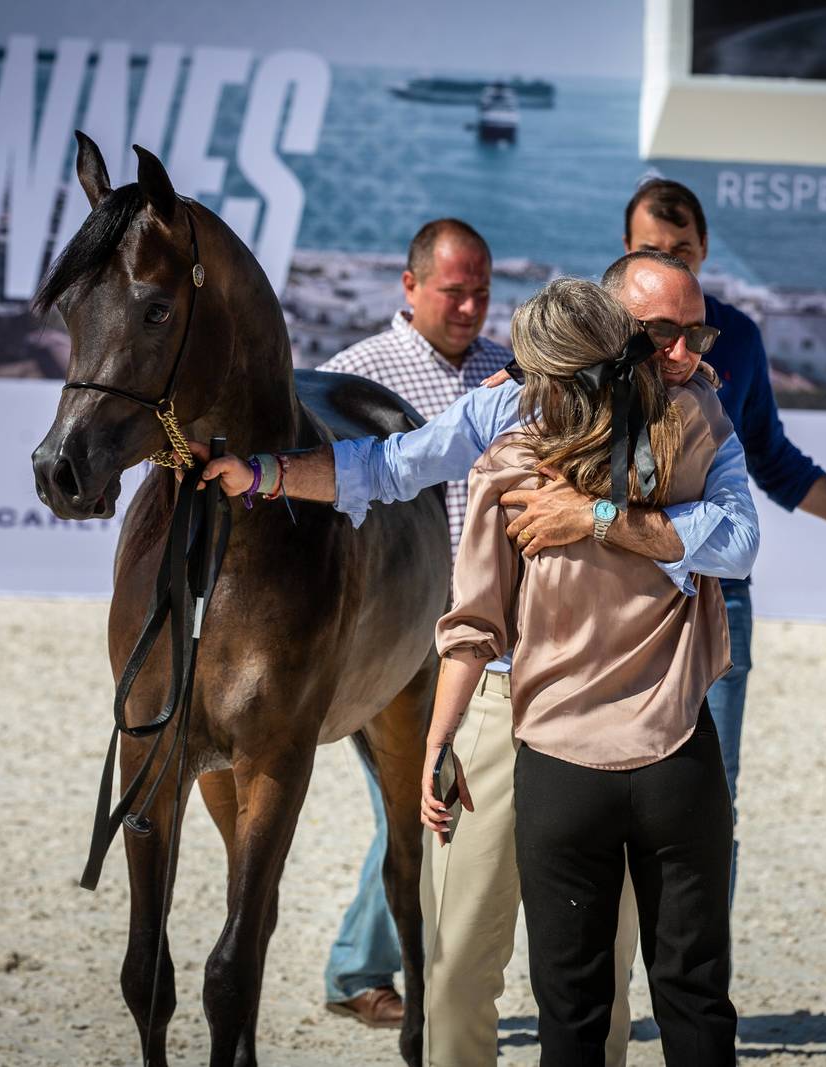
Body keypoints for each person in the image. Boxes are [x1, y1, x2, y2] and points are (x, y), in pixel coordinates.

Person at [195, 251, 758, 1066]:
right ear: (608, 330)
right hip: (498, 695)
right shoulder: (517, 407)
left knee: (602, 987)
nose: (689, 354)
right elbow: (390, 468)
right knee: (458, 964)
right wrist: (265, 475)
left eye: (696, 332)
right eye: (666, 335)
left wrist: (597, 516)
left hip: (638, 726)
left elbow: (740, 542)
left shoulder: (700, 420)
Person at [422, 277, 742, 1066]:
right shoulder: (692, 427)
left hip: (560, 767)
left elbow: (472, 627)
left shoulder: (509, 466)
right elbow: (737, 540)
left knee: (570, 1009)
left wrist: (438, 742)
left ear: (541, 373)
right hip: (676, 757)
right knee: (694, 995)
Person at [314, 218, 511, 1030]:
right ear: (409, 285)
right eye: (452, 289)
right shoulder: (349, 376)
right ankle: (362, 967)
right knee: (421, 800)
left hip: (493, 632)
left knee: (431, 800)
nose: (468, 306)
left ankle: (387, 965)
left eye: (480, 292)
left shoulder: (511, 373)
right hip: (396, 629)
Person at [615, 178, 826, 899]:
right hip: (608, 598)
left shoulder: (736, 336)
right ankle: (608, 998)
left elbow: (771, 455)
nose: (670, 258)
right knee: (602, 786)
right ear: (626, 250)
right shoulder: (594, 333)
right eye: (652, 248)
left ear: (704, 250)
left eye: (682, 248)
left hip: (717, 597)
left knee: (711, 798)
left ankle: (697, 996)